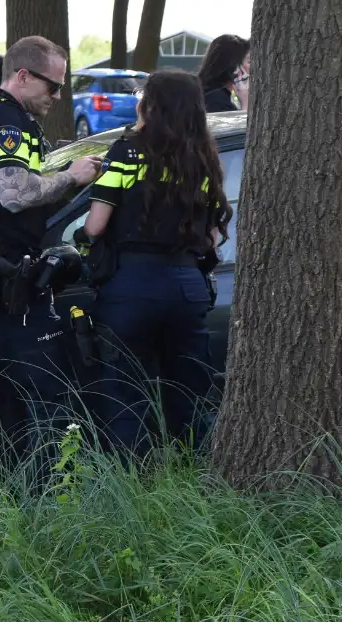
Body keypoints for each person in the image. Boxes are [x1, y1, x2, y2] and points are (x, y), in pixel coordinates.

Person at [0, 35, 102, 490]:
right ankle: (54, 501)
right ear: (24, 76)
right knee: (48, 395)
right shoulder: (2, 119)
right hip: (1, 279)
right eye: (54, 87)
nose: (57, 96)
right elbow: (15, 195)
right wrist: (71, 177)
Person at [82, 69, 233, 460]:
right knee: (189, 395)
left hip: (130, 288)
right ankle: (197, 477)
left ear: (153, 104)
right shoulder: (202, 158)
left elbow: (96, 225)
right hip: (187, 287)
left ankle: (135, 483)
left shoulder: (127, 151)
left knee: (127, 395)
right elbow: (212, 237)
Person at [197, 35, 250, 113]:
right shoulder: (216, 100)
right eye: (250, 61)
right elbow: (236, 125)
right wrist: (246, 104)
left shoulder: (206, 90)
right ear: (236, 68)